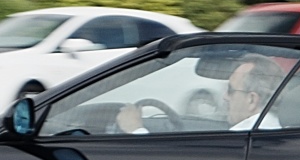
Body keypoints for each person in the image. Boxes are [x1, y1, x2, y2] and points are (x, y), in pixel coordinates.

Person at [115, 54, 285, 133]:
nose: (225, 97)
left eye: (231, 90)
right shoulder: (277, 128)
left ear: (252, 100)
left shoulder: (246, 137)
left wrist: (135, 130)